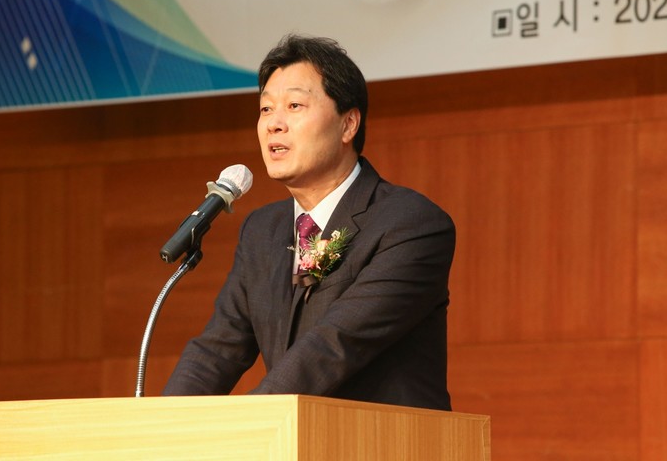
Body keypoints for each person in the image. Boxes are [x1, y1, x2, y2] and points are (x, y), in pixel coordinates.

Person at [163, 34, 455, 410]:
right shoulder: (262, 231)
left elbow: (335, 344)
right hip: (296, 434)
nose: (274, 124)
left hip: (385, 437)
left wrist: (253, 420)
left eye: (294, 105)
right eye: (266, 108)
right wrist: (163, 424)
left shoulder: (410, 224)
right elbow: (218, 349)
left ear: (348, 125)